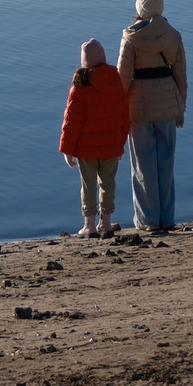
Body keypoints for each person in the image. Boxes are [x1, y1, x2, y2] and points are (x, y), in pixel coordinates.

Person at [117, 0, 186, 232]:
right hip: (168, 104)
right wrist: (181, 107)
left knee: (142, 165)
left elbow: (123, 79)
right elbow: (180, 74)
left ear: (140, 9)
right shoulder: (174, 35)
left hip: (139, 108)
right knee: (166, 164)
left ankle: (148, 221)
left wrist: (118, 113)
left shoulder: (130, 38)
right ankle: (167, 218)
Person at [58, 37, 131, 238]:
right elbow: (124, 113)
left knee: (88, 186)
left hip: (85, 150)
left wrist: (67, 150)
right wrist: (120, 144)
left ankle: (88, 224)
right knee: (108, 184)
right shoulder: (114, 80)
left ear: (84, 62)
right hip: (110, 147)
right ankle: (106, 223)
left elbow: (71, 122)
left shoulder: (80, 86)